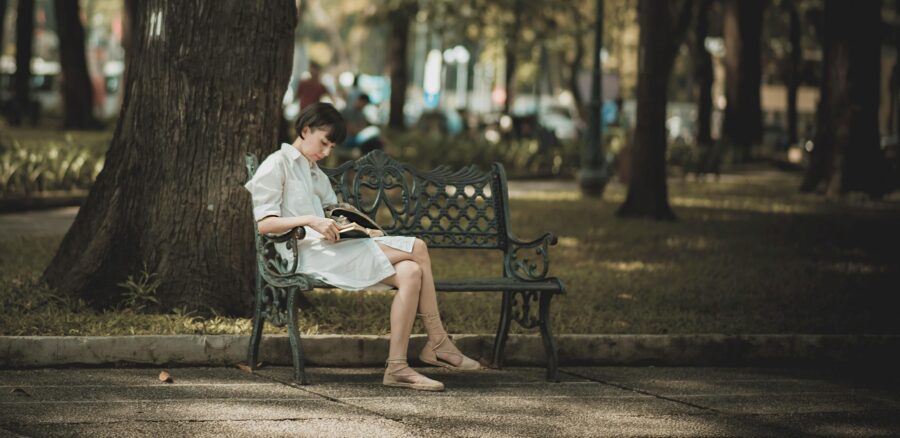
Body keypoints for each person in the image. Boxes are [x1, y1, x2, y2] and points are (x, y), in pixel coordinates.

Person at [244, 103, 480, 392]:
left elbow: (334, 211)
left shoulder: (313, 171)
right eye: (324, 142)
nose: (327, 152)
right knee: (417, 247)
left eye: (331, 146)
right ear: (305, 130)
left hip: (331, 250)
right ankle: (439, 343)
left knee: (409, 272)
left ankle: (397, 367)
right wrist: (312, 221)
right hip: (303, 256)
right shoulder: (276, 163)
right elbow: (265, 224)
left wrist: (358, 227)